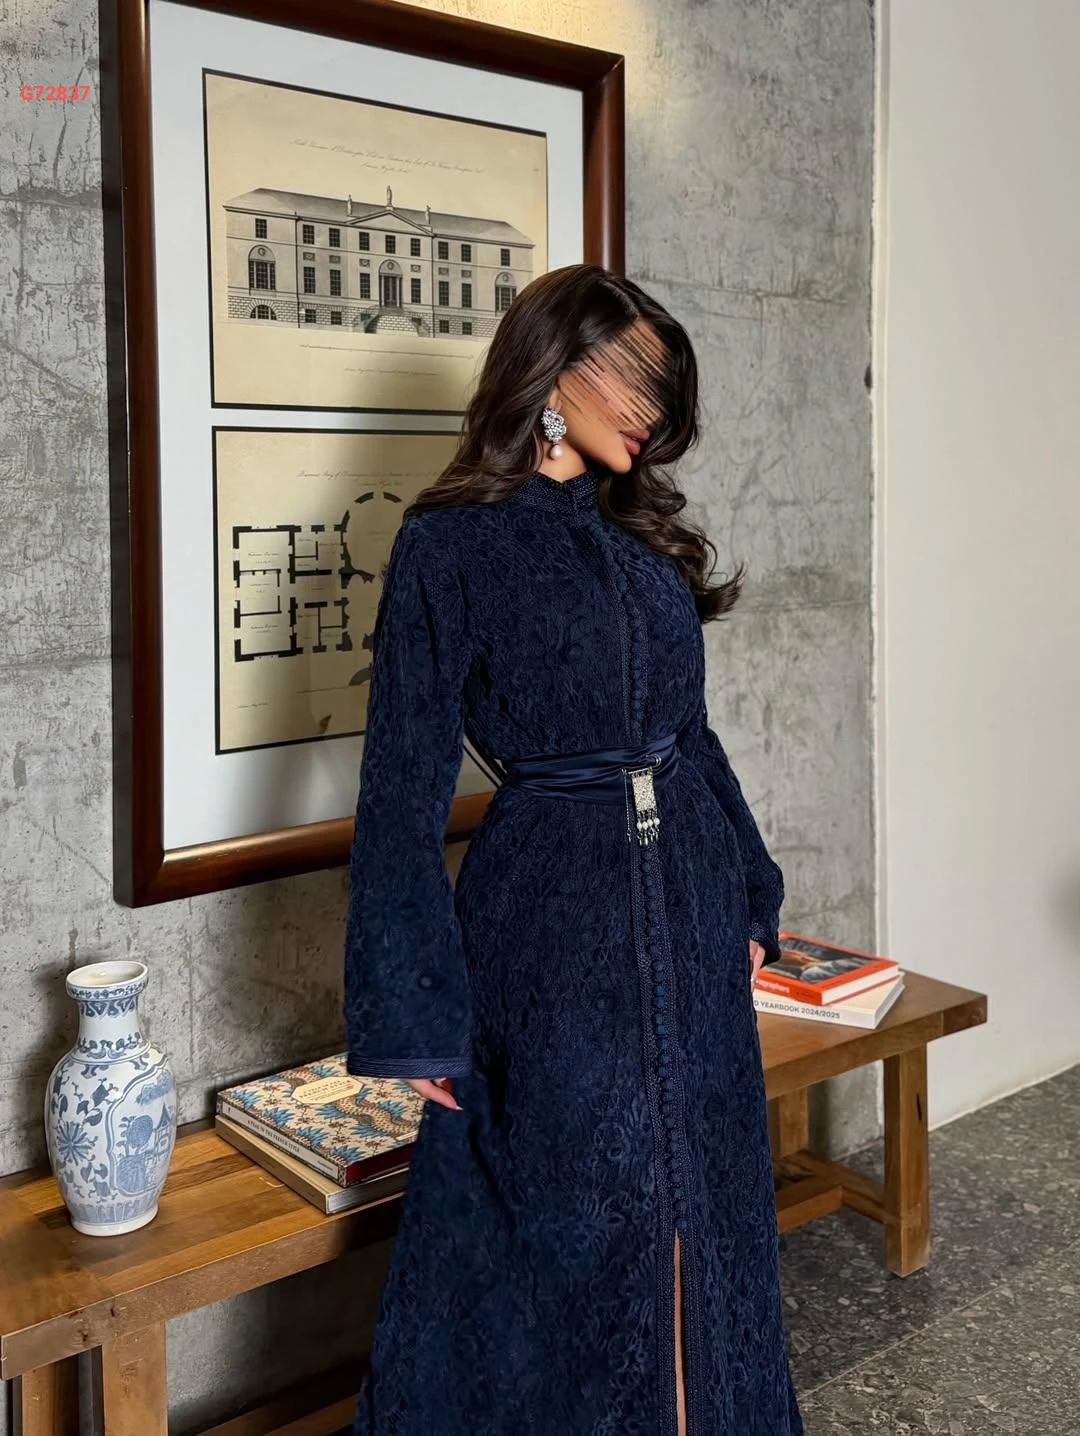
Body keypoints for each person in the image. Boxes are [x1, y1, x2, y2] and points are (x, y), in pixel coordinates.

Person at [343, 263, 804, 1435]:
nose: (650, 410)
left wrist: (751, 894)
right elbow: (400, 793)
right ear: (553, 369)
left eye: (664, 388)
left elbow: (692, 738)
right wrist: (417, 1011)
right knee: (580, 1223)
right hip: (548, 933)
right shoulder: (451, 546)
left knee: (709, 1206)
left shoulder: (640, 541)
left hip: (690, 914)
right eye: (631, 377)